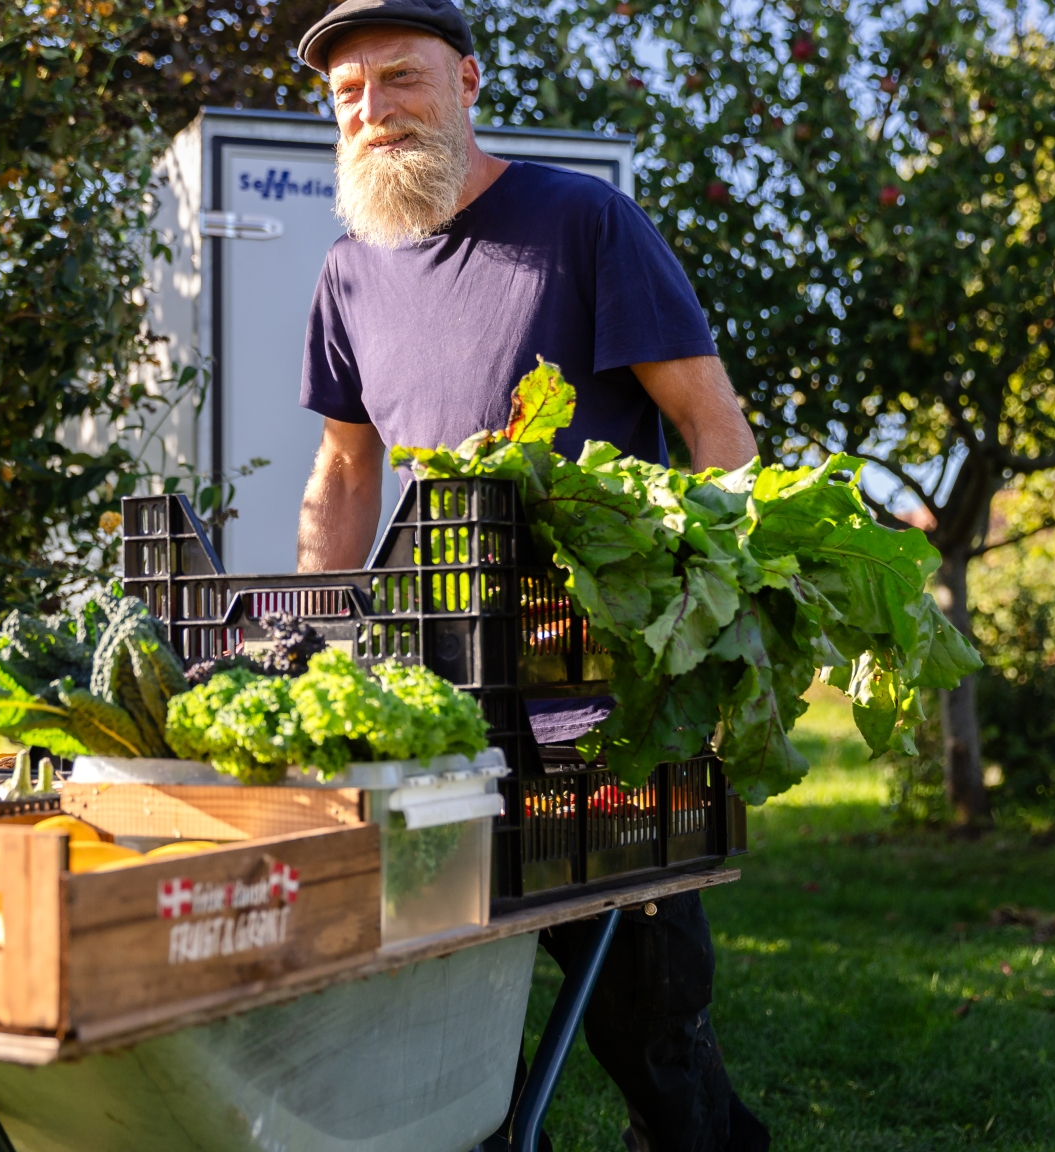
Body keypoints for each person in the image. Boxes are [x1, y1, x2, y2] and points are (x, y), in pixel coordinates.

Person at [291, 3, 770, 1150]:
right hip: (437, 683)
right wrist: (308, 627)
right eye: (348, 95)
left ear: (465, 80)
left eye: (398, 79)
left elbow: (713, 430)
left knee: (640, 997)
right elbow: (344, 470)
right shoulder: (349, 270)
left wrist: (709, 619)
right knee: (450, 988)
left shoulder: (581, 222)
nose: (373, 111)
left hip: (595, 680)